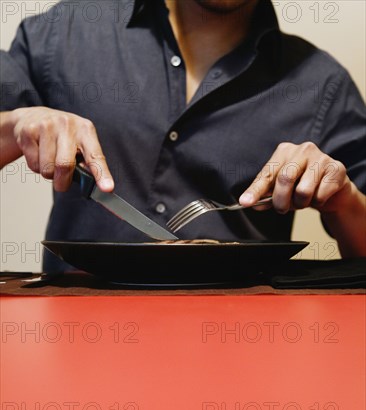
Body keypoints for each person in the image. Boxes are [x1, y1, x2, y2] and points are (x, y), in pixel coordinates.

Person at [1, 0, 365, 271]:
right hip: (74, 342)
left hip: (245, 348)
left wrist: (344, 202)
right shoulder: (63, 34)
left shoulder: (322, 85)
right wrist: (15, 123)